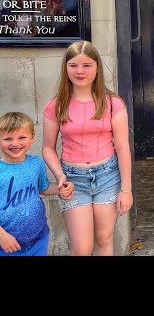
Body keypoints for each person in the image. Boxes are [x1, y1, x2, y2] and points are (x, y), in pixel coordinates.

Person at [42, 40, 133, 256]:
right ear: (66, 68)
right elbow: (48, 147)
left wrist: (126, 190)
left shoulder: (113, 103)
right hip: (74, 180)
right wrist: (60, 175)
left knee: (103, 239)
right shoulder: (56, 105)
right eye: (73, 65)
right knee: (81, 248)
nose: (80, 71)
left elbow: (122, 147)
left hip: (107, 176)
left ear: (97, 67)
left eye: (86, 65)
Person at [0, 112, 74, 256]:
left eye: (22, 137)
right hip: (7, 245)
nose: (15, 143)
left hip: (38, 239)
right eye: (8, 139)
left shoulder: (36, 163)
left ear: (32, 137)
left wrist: (61, 188)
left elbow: (43, 188)